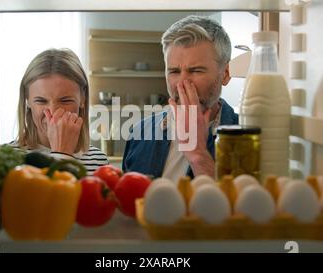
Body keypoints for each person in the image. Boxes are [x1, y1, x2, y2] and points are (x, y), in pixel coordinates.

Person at [122, 15, 238, 181]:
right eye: (174, 71)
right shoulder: (139, 132)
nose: (182, 83)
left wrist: (198, 154)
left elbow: (240, 206)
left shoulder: (250, 138)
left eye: (196, 70)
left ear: (225, 74)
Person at [12, 48, 108, 175]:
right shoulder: (9, 159)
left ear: (83, 99)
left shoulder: (98, 160)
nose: (52, 112)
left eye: (65, 100)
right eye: (41, 101)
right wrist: (62, 154)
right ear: (27, 101)